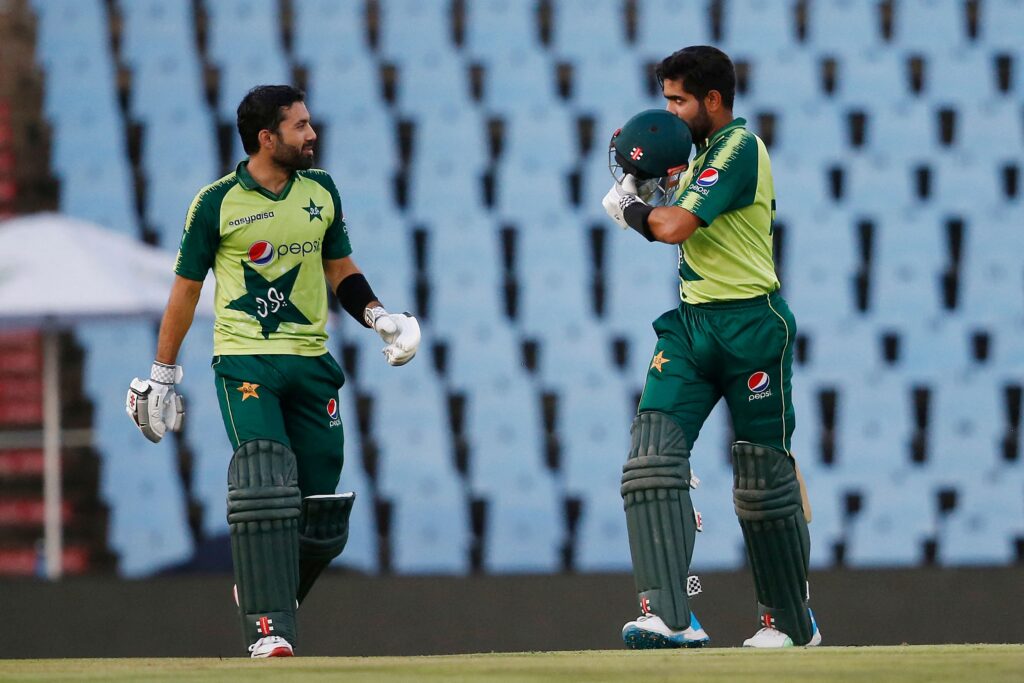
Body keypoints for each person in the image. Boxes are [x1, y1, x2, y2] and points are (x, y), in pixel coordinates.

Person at [125, 85, 420, 658]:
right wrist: (163, 372)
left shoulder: (321, 190)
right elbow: (185, 292)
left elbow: (340, 268)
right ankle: (269, 630)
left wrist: (379, 316)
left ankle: (264, 590)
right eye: (301, 126)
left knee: (320, 515)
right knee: (265, 481)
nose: (313, 134)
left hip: (312, 363)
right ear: (268, 138)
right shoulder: (215, 203)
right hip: (246, 362)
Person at [603, 46, 821, 649]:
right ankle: (670, 614)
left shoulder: (738, 149)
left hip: (753, 324)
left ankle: (789, 622)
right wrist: (645, 180)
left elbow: (671, 227)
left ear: (714, 101)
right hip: (695, 325)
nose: (670, 111)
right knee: (651, 458)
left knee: (761, 478)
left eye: (679, 100)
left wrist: (632, 208)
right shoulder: (697, 152)